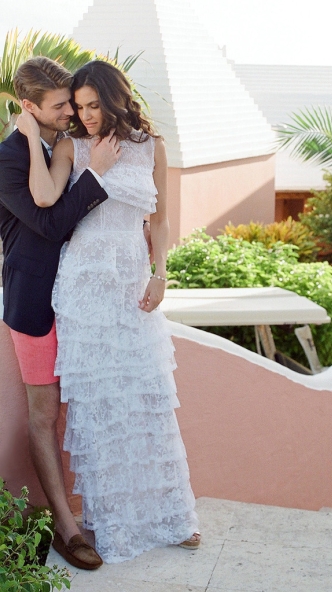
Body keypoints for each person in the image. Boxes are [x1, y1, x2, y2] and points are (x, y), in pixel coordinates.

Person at [17, 58, 200, 564]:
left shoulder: (152, 148)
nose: (86, 115)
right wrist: (34, 136)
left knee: (148, 401)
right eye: (78, 107)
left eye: (94, 105)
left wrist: (160, 272)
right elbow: (46, 197)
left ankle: (171, 517)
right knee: (100, 415)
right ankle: (112, 524)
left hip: (130, 289)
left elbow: (159, 221)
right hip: (82, 293)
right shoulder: (72, 147)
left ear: (115, 98)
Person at [0, 55, 122, 570]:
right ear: (29, 108)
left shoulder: (64, 141)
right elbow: (49, 228)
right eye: (59, 106)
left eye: (72, 101)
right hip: (34, 303)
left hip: (82, 300)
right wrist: (96, 177)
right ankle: (65, 527)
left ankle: (111, 512)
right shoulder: (7, 159)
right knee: (45, 415)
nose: (71, 111)